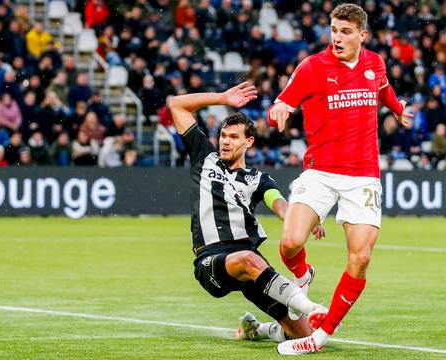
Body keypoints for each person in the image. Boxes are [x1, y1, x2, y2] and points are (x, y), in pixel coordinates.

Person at [267, 4, 414, 355]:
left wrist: (396, 108)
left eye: (346, 32)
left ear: (362, 35)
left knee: (360, 258)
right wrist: (280, 110)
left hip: (363, 176)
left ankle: (320, 336)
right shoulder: (313, 67)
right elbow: (283, 101)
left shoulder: (374, 63)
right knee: (289, 242)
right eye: (334, 30)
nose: (337, 37)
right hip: (320, 171)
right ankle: (303, 275)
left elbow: (383, 90)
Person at [167, 82, 328, 344]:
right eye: (223, 135)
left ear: (248, 141)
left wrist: (300, 221)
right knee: (247, 259)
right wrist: (222, 98)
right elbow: (176, 103)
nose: (225, 142)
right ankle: (312, 307)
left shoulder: (258, 178)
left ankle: (258, 330)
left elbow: (279, 204)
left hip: (252, 264)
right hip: (212, 261)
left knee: (306, 337)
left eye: (233, 137)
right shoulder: (204, 157)